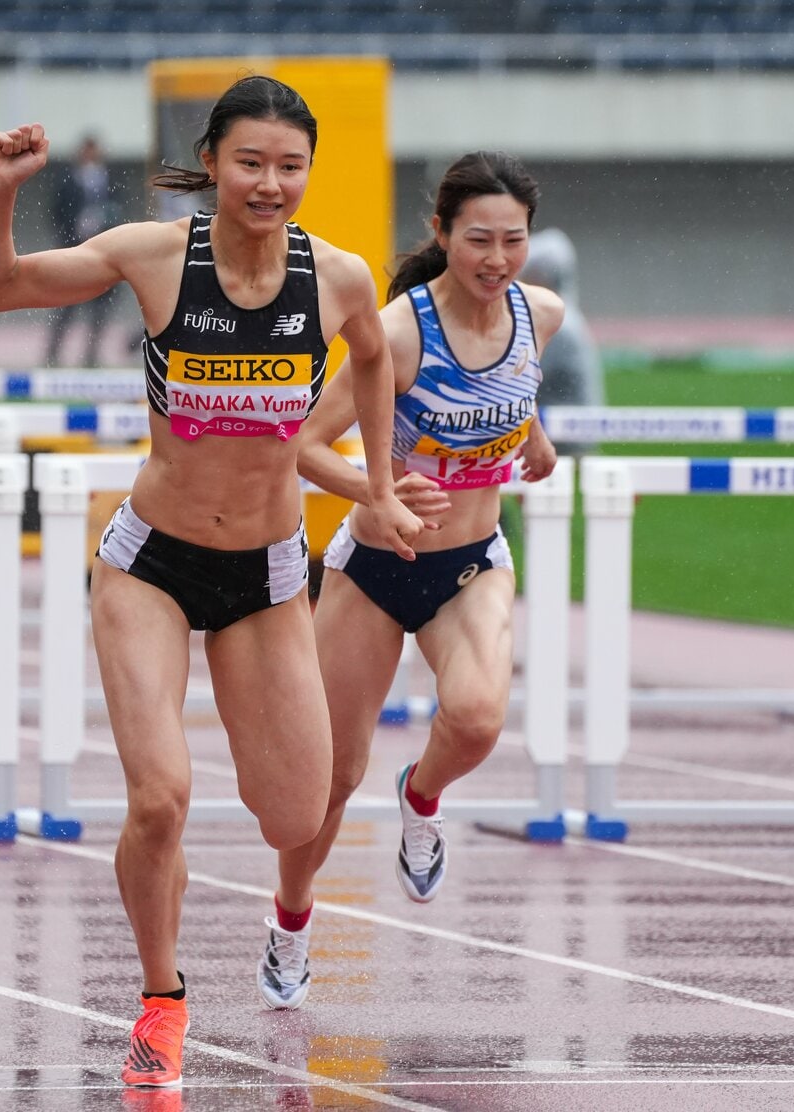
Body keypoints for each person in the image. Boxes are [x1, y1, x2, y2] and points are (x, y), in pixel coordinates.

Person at [0, 76, 425, 1089]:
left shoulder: (340, 279)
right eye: (251, 162)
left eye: (290, 166)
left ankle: (276, 917)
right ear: (212, 162)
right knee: (162, 799)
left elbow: (374, 360)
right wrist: (0, 190)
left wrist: (379, 489)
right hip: (152, 566)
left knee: (295, 814)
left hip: (264, 576)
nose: (270, 183)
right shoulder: (155, 256)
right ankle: (161, 1000)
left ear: (310, 172)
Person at [255, 151, 562, 1011]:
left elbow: (510, 379)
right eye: (478, 241)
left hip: (470, 562)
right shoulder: (398, 332)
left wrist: (530, 434)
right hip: (376, 569)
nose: (497, 259)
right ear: (442, 234)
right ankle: (289, 921)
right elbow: (305, 447)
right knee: (327, 780)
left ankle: (421, 795)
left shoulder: (543, 314)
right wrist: (377, 492)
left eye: (513, 241)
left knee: (475, 718)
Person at [520, 227, 607, 448]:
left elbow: (519, 378)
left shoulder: (559, 325)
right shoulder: (567, 318)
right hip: (568, 433)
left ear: (541, 276)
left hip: (563, 442)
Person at [42, 134, 118, 367]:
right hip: (73, 249)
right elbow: (56, 212)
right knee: (66, 306)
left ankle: (91, 355)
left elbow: (118, 210)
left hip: (104, 252)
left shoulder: (109, 179)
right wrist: (71, 232)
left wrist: (104, 223)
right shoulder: (68, 180)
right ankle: (53, 354)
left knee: (100, 309)